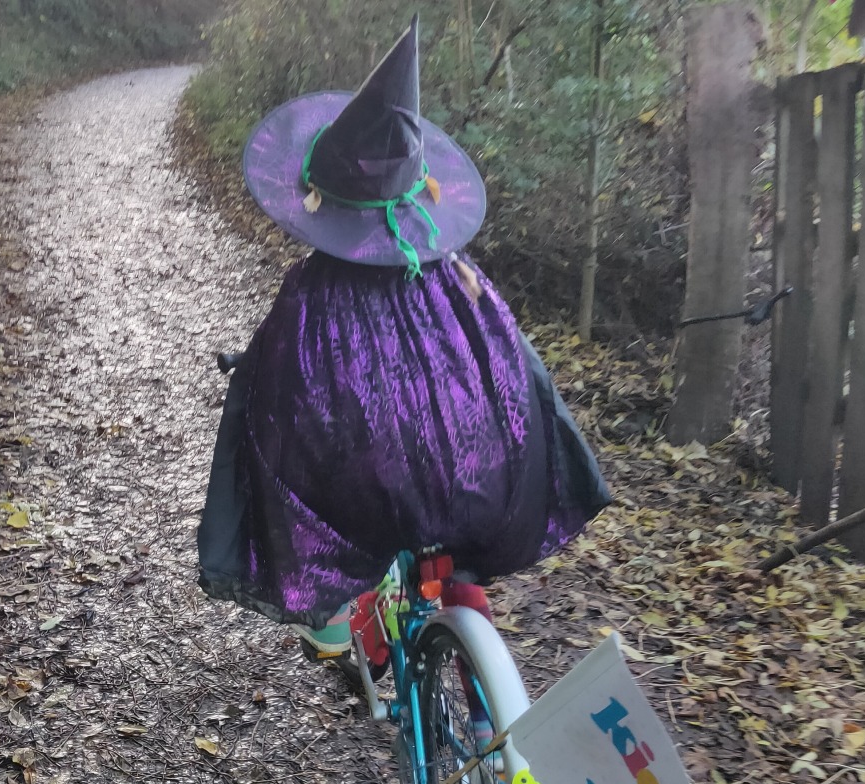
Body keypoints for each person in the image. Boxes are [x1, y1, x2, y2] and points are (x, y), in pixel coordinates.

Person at [197, 16, 611, 659]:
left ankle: (332, 617)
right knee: (459, 529)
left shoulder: (310, 294)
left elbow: (281, 402)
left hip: (365, 497)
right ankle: (488, 700)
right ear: (420, 195)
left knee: (314, 471)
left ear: (323, 203)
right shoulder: (462, 279)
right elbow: (520, 371)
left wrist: (250, 376)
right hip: (484, 488)